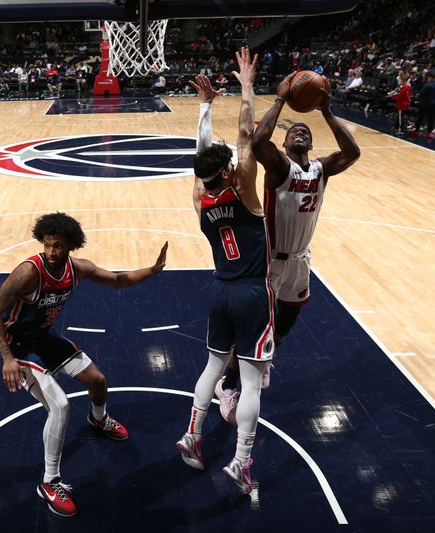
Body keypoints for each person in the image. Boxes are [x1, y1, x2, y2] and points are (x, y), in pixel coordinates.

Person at [0, 212, 168, 517]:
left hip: (43, 340)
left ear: (71, 244)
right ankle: (49, 482)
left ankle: (98, 419)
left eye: (57, 246)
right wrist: (7, 358)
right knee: (60, 406)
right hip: (19, 348)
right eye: (47, 246)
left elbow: (117, 279)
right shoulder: (29, 272)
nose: (51, 252)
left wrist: (152, 270)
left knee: (97, 379)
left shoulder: (77, 268)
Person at [215, 71, 361, 415]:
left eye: (305, 132)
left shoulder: (320, 170)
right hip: (270, 260)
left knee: (288, 318)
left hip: (299, 259)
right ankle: (229, 384)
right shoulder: (281, 167)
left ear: (311, 145)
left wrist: (326, 111)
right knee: (255, 328)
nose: (300, 132)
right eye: (294, 131)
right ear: (284, 144)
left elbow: (352, 151)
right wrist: (280, 99)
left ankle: (265, 360)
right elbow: (258, 142)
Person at [175, 47, 270, 494]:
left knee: (212, 368)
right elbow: (247, 133)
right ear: (230, 169)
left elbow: (202, 157)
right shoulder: (245, 190)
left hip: (218, 289)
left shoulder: (200, 200)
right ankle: (241, 463)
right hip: (252, 291)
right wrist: (247, 85)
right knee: (250, 379)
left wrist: (205, 105)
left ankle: (192, 437)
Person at [407, 72, 435, 140]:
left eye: (428, 77)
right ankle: (429, 133)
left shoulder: (427, 85)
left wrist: (419, 98)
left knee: (420, 117)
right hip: (434, 104)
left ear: (431, 78)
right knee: (431, 119)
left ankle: (416, 131)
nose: (427, 79)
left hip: (425, 104)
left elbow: (421, 94)